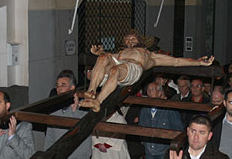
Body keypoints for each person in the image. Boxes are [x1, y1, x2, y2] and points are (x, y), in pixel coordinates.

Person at [81, 31, 214, 112]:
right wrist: (100, 53)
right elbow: (109, 59)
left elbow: (176, 61)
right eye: (127, 39)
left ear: (140, 41)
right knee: (103, 57)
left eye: (132, 38)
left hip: (133, 68)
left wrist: (199, 62)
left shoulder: (149, 55)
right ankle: (91, 92)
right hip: (119, 62)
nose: (129, 41)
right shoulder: (122, 52)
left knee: (116, 70)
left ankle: (98, 101)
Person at [138, 81, 183, 159]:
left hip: (164, 150)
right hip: (150, 150)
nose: (150, 92)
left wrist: (172, 148)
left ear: (160, 92)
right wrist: (144, 143)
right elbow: (141, 128)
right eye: (148, 90)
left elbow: (178, 129)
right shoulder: (144, 110)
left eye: (153, 90)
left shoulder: (169, 109)